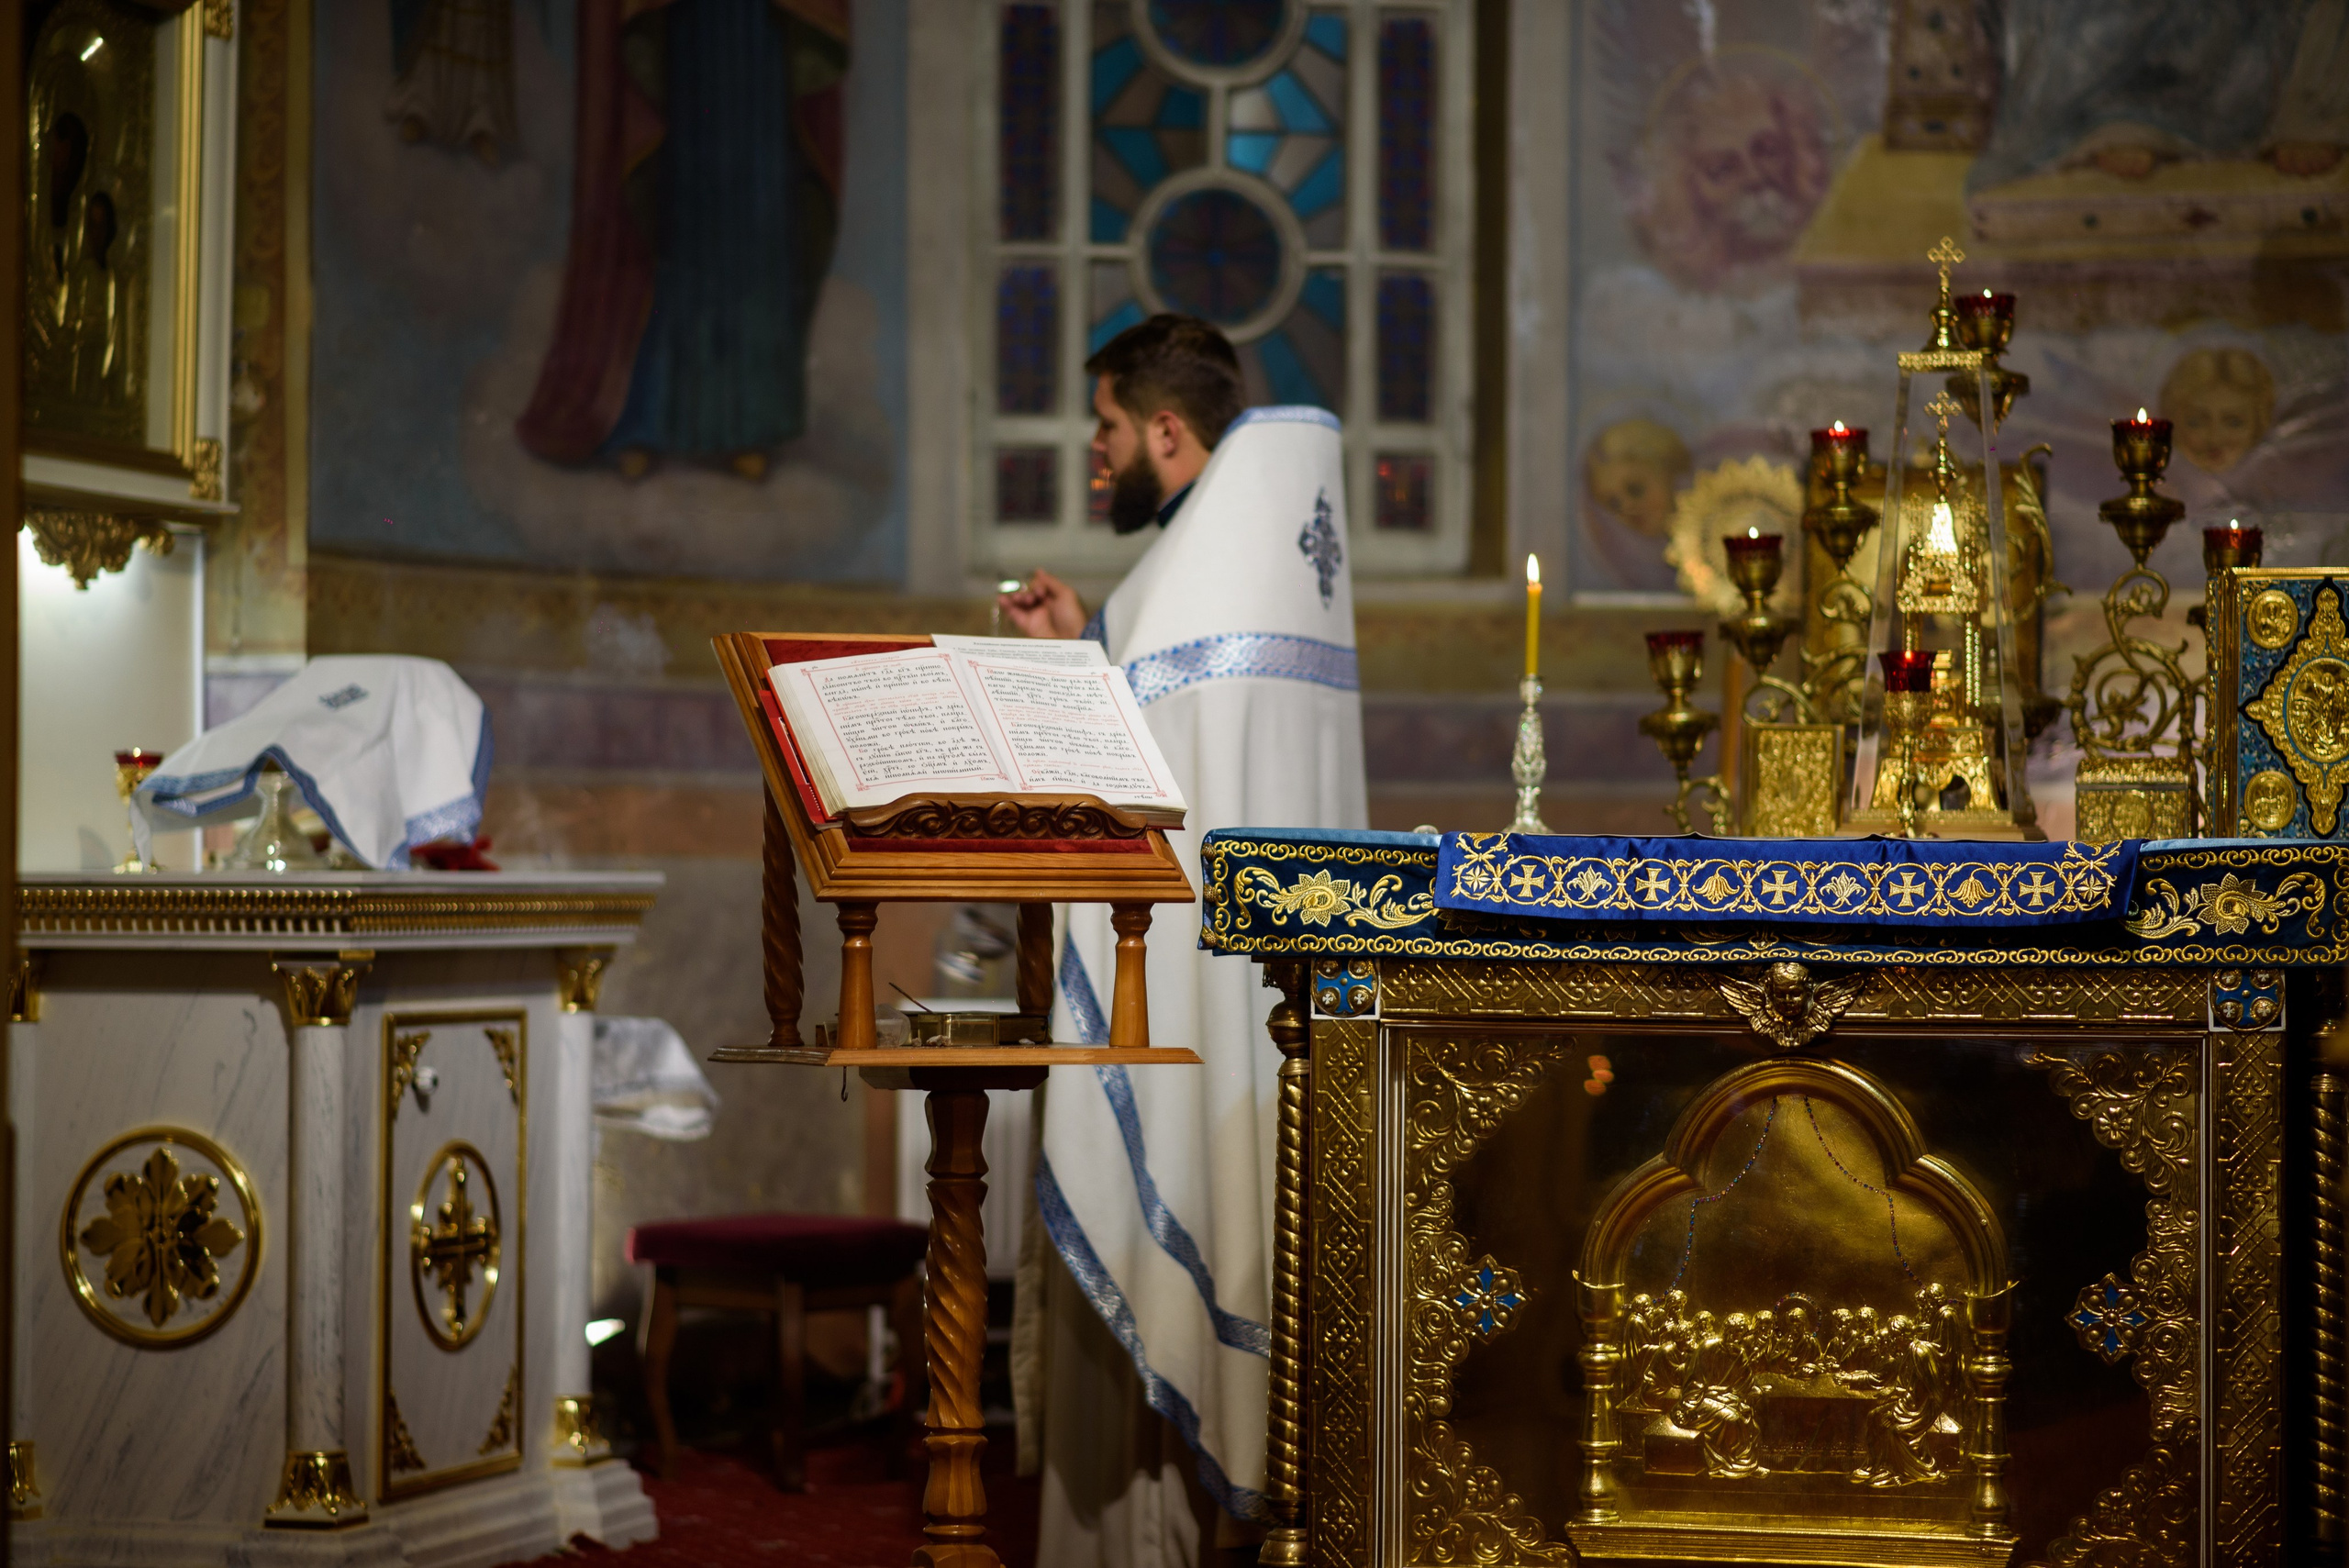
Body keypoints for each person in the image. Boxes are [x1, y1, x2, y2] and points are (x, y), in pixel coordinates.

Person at [998, 313, 1368, 1566]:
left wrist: (1072, 673)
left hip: (1198, 1026)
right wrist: (1080, 652)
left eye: (1106, 428)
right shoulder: (1243, 564)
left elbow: (1131, 804)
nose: (1094, 455)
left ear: (1166, 429)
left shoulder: (1190, 585)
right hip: (1272, 1040)